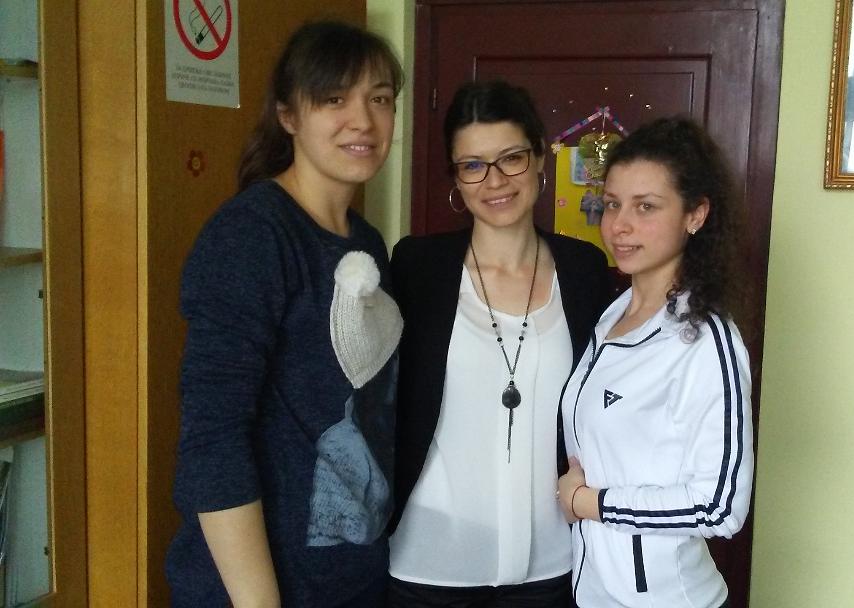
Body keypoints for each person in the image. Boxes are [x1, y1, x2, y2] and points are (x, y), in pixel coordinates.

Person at [166, 21, 404, 607]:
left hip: (351, 579)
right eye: (334, 99)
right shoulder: (251, 236)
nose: (363, 120)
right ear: (288, 115)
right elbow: (213, 439)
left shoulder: (366, 244)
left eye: (379, 99)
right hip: (259, 589)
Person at [386, 80, 612, 607]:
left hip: (554, 564)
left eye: (511, 158)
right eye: (473, 165)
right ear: (456, 178)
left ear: (539, 159)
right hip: (428, 564)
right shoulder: (417, 268)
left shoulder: (584, 270)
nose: (495, 181)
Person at [557, 117, 754, 608]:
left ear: (695, 215)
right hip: (595, 591)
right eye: (612, 204)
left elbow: (720, 505)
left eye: (645, 206)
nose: (619, 225)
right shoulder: (613, 316)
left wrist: (589, 503)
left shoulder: (704, 340)